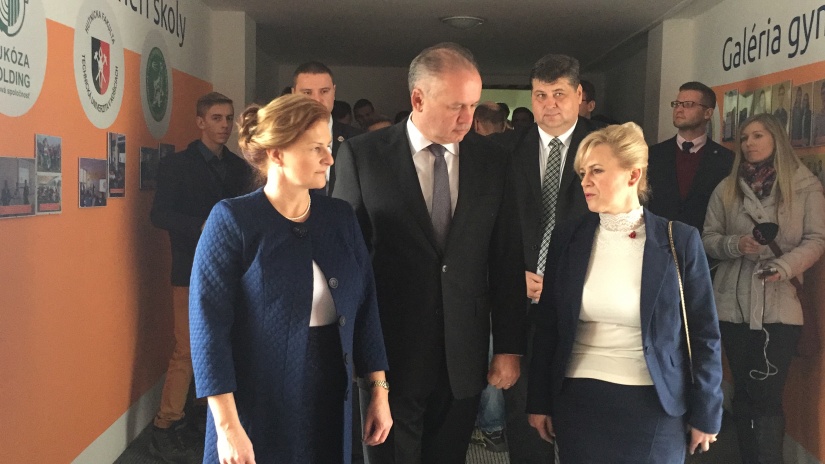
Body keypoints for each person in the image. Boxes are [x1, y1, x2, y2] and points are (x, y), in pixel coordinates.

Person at [333, 42, 526, 464]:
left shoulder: (493, 161)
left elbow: (507, 258)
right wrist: (351, 348)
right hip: (389, 355)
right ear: (418, 99)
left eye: (473, 106)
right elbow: (346, 262)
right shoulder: (363, 156)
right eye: (456, 106)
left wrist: (509, 346)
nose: (467, 119)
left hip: (464, 356)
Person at [190, 94, 392, 463]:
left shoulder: (340, 218)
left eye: (329, 146)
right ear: (277, 153)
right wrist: (227, 427)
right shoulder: (232, 220)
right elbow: (209, 330)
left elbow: (366, 308)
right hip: (255, 404)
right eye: (316, 148)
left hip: (331, 396)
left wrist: (378, 390)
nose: (329, 158)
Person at [527, 122, 724, 462]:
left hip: (654, 400)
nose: (585, 182)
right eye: (582, 173)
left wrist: (708, 410)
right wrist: (538, 401)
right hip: (578, 398)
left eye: (597, 171)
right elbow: (548, 325)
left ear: (633, 175)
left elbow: (705, 332)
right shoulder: (569, 237)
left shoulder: (679, 240)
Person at [702, 113, 825, 463]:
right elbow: (708, 238)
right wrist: (734, 244)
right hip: (732, 306)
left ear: (776, 139)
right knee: (743, 392)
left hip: (780, 306)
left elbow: (816, 239)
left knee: (768, 396)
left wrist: (784, 266)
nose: (749, 143)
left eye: (757, 135)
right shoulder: (726, 187)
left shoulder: (805, 186)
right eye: (744, 137)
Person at [149, 91, 253, 462]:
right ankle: (165, 424)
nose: (225, 125)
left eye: (228, 118)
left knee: (222, 345)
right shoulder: (177, 165)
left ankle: (200, 417)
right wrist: (203, 225)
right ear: (200, 122)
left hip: (233, 270)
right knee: (187, 350)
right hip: (189, 268)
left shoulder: (241, 168)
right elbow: (159, 215)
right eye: (216, 118)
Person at [507, 53, 600, 464]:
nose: (549, 105)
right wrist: (514, 274)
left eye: (559, 94)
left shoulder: (607, 147)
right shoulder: (504, 149)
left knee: (584, 415)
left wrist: (564, 279)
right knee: (525, 412)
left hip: (585, 301)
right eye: (540, 95)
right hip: (521, 302)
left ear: (579, 95)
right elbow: (489, 228)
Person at [647, 81, 734, 232]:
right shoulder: (653, 154)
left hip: (703, 242)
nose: (679, 109)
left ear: (708, 113)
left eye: (688, 104)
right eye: (676, 104)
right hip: (659, 240)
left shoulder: (726, 160)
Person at [292, 61, 363, 195]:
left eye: (324, 91)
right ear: (294, 94)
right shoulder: (279, 141)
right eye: (307, 92)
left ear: (334, 92)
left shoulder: (358, 140)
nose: (317, 100)